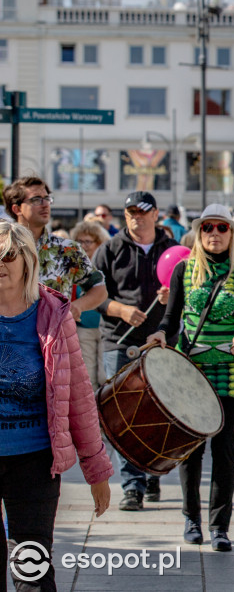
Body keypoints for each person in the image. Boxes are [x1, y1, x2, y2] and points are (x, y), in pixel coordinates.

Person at [0, 220, 113, 592]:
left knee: (32, 568)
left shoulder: (52, 312)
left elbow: (79, 394)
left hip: (34, 460)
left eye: (9, 255)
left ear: (27, 260)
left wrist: (96, 469)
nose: (1, 263)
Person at [147, 204, 234, 552]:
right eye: (208, 228)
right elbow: (171, 319)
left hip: (231, 368)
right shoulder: (183, 270)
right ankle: (191, 519)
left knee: (226, 450)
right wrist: (159, 334)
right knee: (192, 448)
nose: (214, 234)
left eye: (222, 228)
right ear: (199, 233)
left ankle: (220, 527)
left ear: (232, 234)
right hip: (192, 368)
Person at [92, 191, 177, 510]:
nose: (135, 216)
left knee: (160, 412)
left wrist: (174, 298)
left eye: (142, 211)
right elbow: (93, 295)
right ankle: (132, 486)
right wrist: (120, 310)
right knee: (123, 414)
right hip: (120, 339)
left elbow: (192, 290)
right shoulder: (109, 249)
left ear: (155, 214)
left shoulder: (172, 250)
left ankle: (152, 472)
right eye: (130, 211)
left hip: (160, 339)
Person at [3, 177, 107, 311]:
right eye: (36, 200)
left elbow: (98, 286)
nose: (45, 204)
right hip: (8, 330)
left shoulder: (67, 249)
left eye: (47, 199)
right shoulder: (3, 247)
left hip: (54, 330)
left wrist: (76, 308)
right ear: (17, 209)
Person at [69, 220, 111, 390]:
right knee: (86, 375)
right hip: (83, 326)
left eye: (88, 241)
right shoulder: (73, 267)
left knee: (105, 375)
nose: (83, 246)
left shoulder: (105, 265)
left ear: (98, 242)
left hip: (105, 325)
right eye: (79, 241)